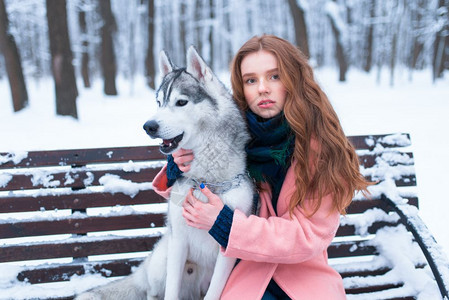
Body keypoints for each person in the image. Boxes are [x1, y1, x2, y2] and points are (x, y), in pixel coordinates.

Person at [152, 34, 370, 299]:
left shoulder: (321, 149)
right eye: (251, 80)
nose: (262, 88)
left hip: (301, 277)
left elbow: (307, 236)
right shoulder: (232, 131)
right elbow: (192, 194)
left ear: (294, 80)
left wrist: (226, 225)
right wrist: (178, 167)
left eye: (274, 76)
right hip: (245, 274)